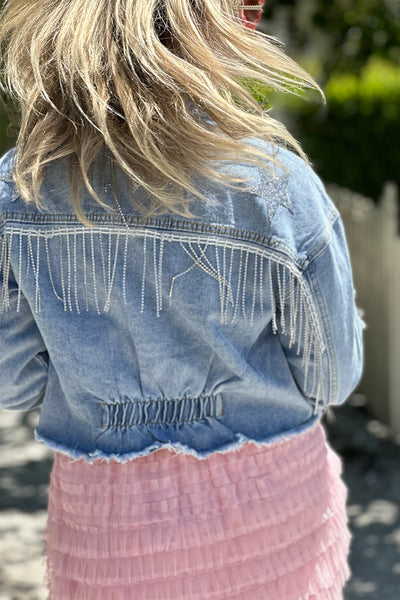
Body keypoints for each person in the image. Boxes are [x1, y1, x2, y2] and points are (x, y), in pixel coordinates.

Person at [0, 0, 365, 598]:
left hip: (110, 524)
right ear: (209, 26)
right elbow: (332, 377)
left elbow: (11, 382)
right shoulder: (277, 184)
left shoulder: (22, 188)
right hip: (270, 504)